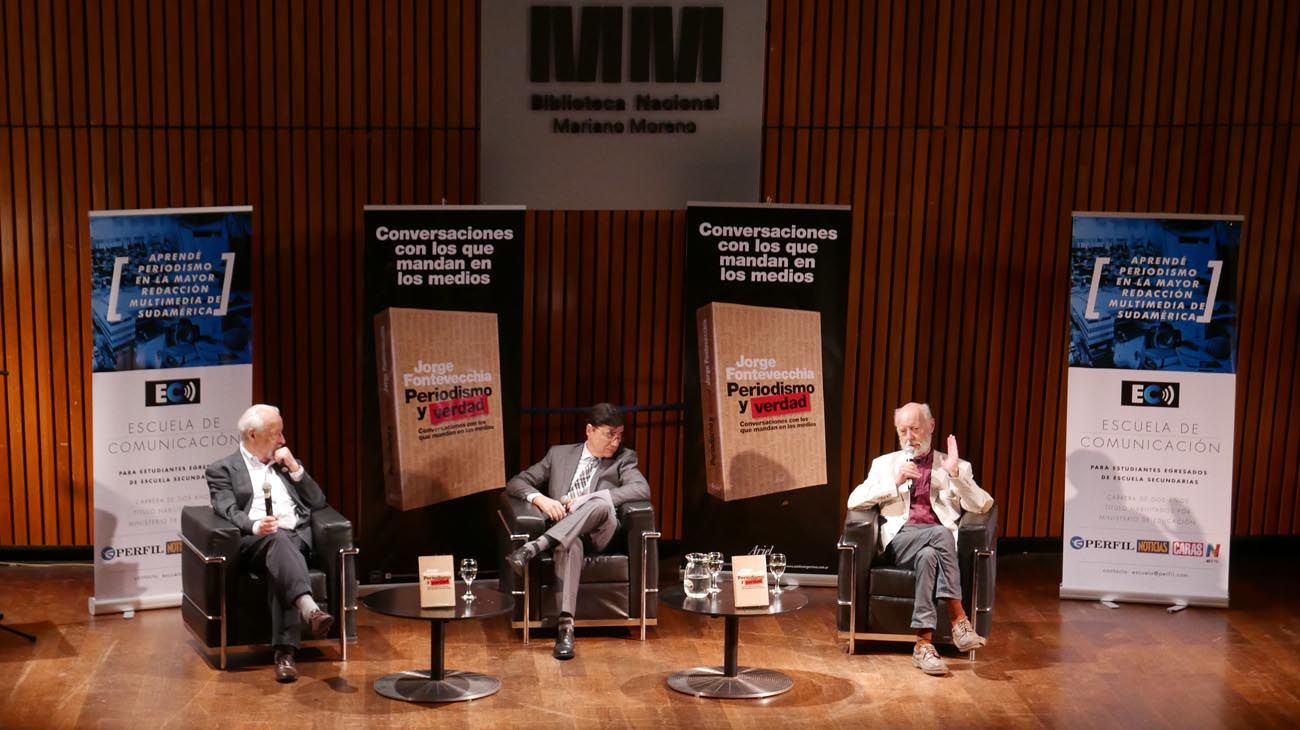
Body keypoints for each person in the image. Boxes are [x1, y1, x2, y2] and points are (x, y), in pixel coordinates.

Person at [846, 402, 994, 676]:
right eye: (903, 430)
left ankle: (923, 645)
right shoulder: (884, 465)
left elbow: (983, 505)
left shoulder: (955, 465)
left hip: (935, 548)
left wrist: (955, 476)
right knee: (940, 534)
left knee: (930, 555)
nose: (909, 436)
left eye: (914, 429)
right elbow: (853, 500)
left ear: (931, 426)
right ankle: (958, 619)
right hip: (900, 541)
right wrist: (895, 482)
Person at [504, 403, 651, 660]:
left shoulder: (624, 458)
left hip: (600, 531)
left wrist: (590, 498)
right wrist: (540, 499)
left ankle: (535, 547)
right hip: (566, 533)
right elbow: (516, 482)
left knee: (600, 504)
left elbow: (641, 489)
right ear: (589, 430)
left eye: (619, 435)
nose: (615, 442)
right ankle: (565, 630)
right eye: (609, 434)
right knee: (569, 546)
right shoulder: (559, 455)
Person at [206, 404, 336, 683]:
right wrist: (254, 525)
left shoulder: (285, 465)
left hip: (294, 538)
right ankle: (303, 621)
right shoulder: (222, 470)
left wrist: (296, 468)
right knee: (276, 540)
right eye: (276, 434)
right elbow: (226, 509)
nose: (283, 441)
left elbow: (318, 502)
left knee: (282, 550)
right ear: (253, 434)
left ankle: (294, 638)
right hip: (253, 542)